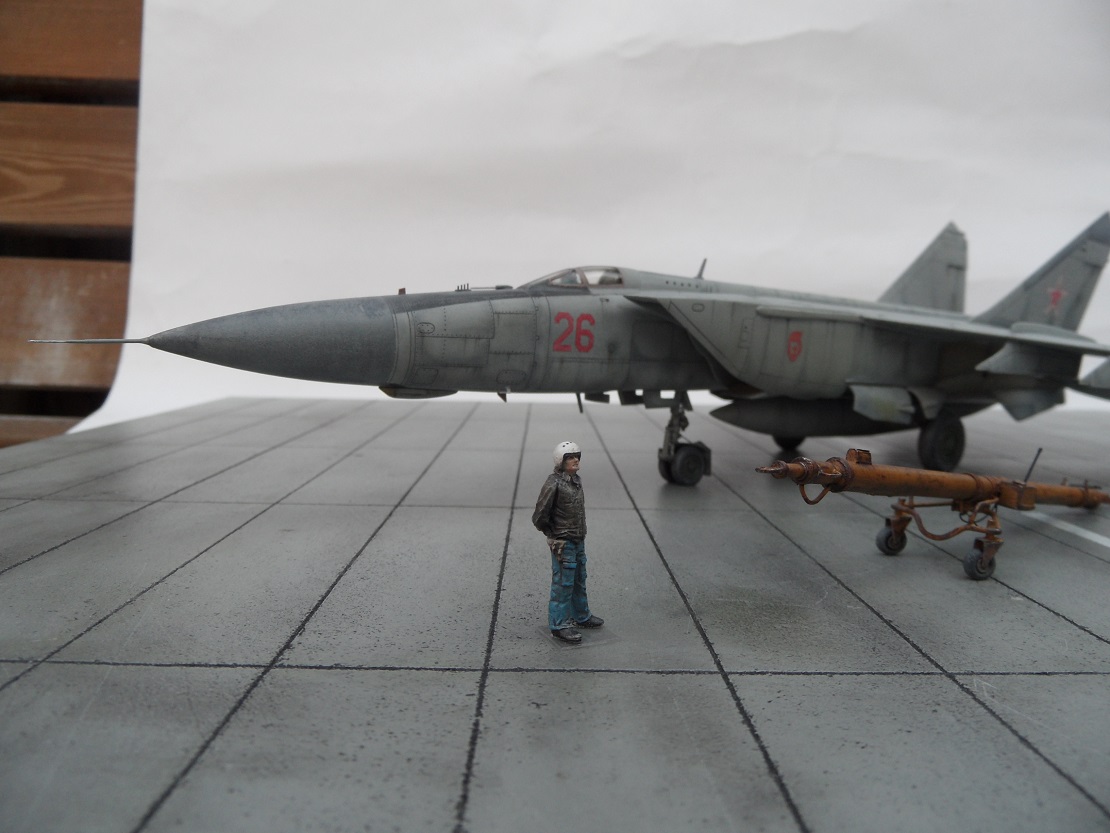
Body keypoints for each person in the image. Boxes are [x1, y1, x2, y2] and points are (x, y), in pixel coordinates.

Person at [532, 441, 604, 644]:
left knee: (579, 579)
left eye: (577, 456)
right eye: (570, 457)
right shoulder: (553, 483)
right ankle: (559, 624)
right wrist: (553, 535)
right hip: (564, 543)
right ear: (560, 460)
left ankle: (581, 615)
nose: (575, 460)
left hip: (578, 540)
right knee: (563, 584)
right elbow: (539, 516)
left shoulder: (575, 481)